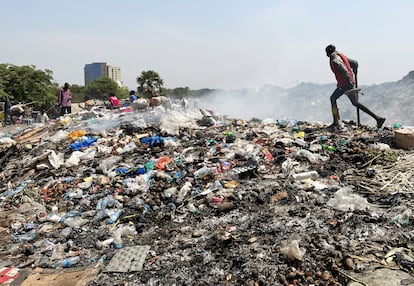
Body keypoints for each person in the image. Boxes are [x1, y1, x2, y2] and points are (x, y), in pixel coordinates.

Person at [325, 44, 385, 130]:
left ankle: (336, 122)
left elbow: (342, 68)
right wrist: (355, 71)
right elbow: (355, 63)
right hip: (347, 83)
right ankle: (378, 118)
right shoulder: (341, 55)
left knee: (333, 99)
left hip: (345, 84)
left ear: (328, 52)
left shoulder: (334, 58)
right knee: (355, 103)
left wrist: (347, 82)